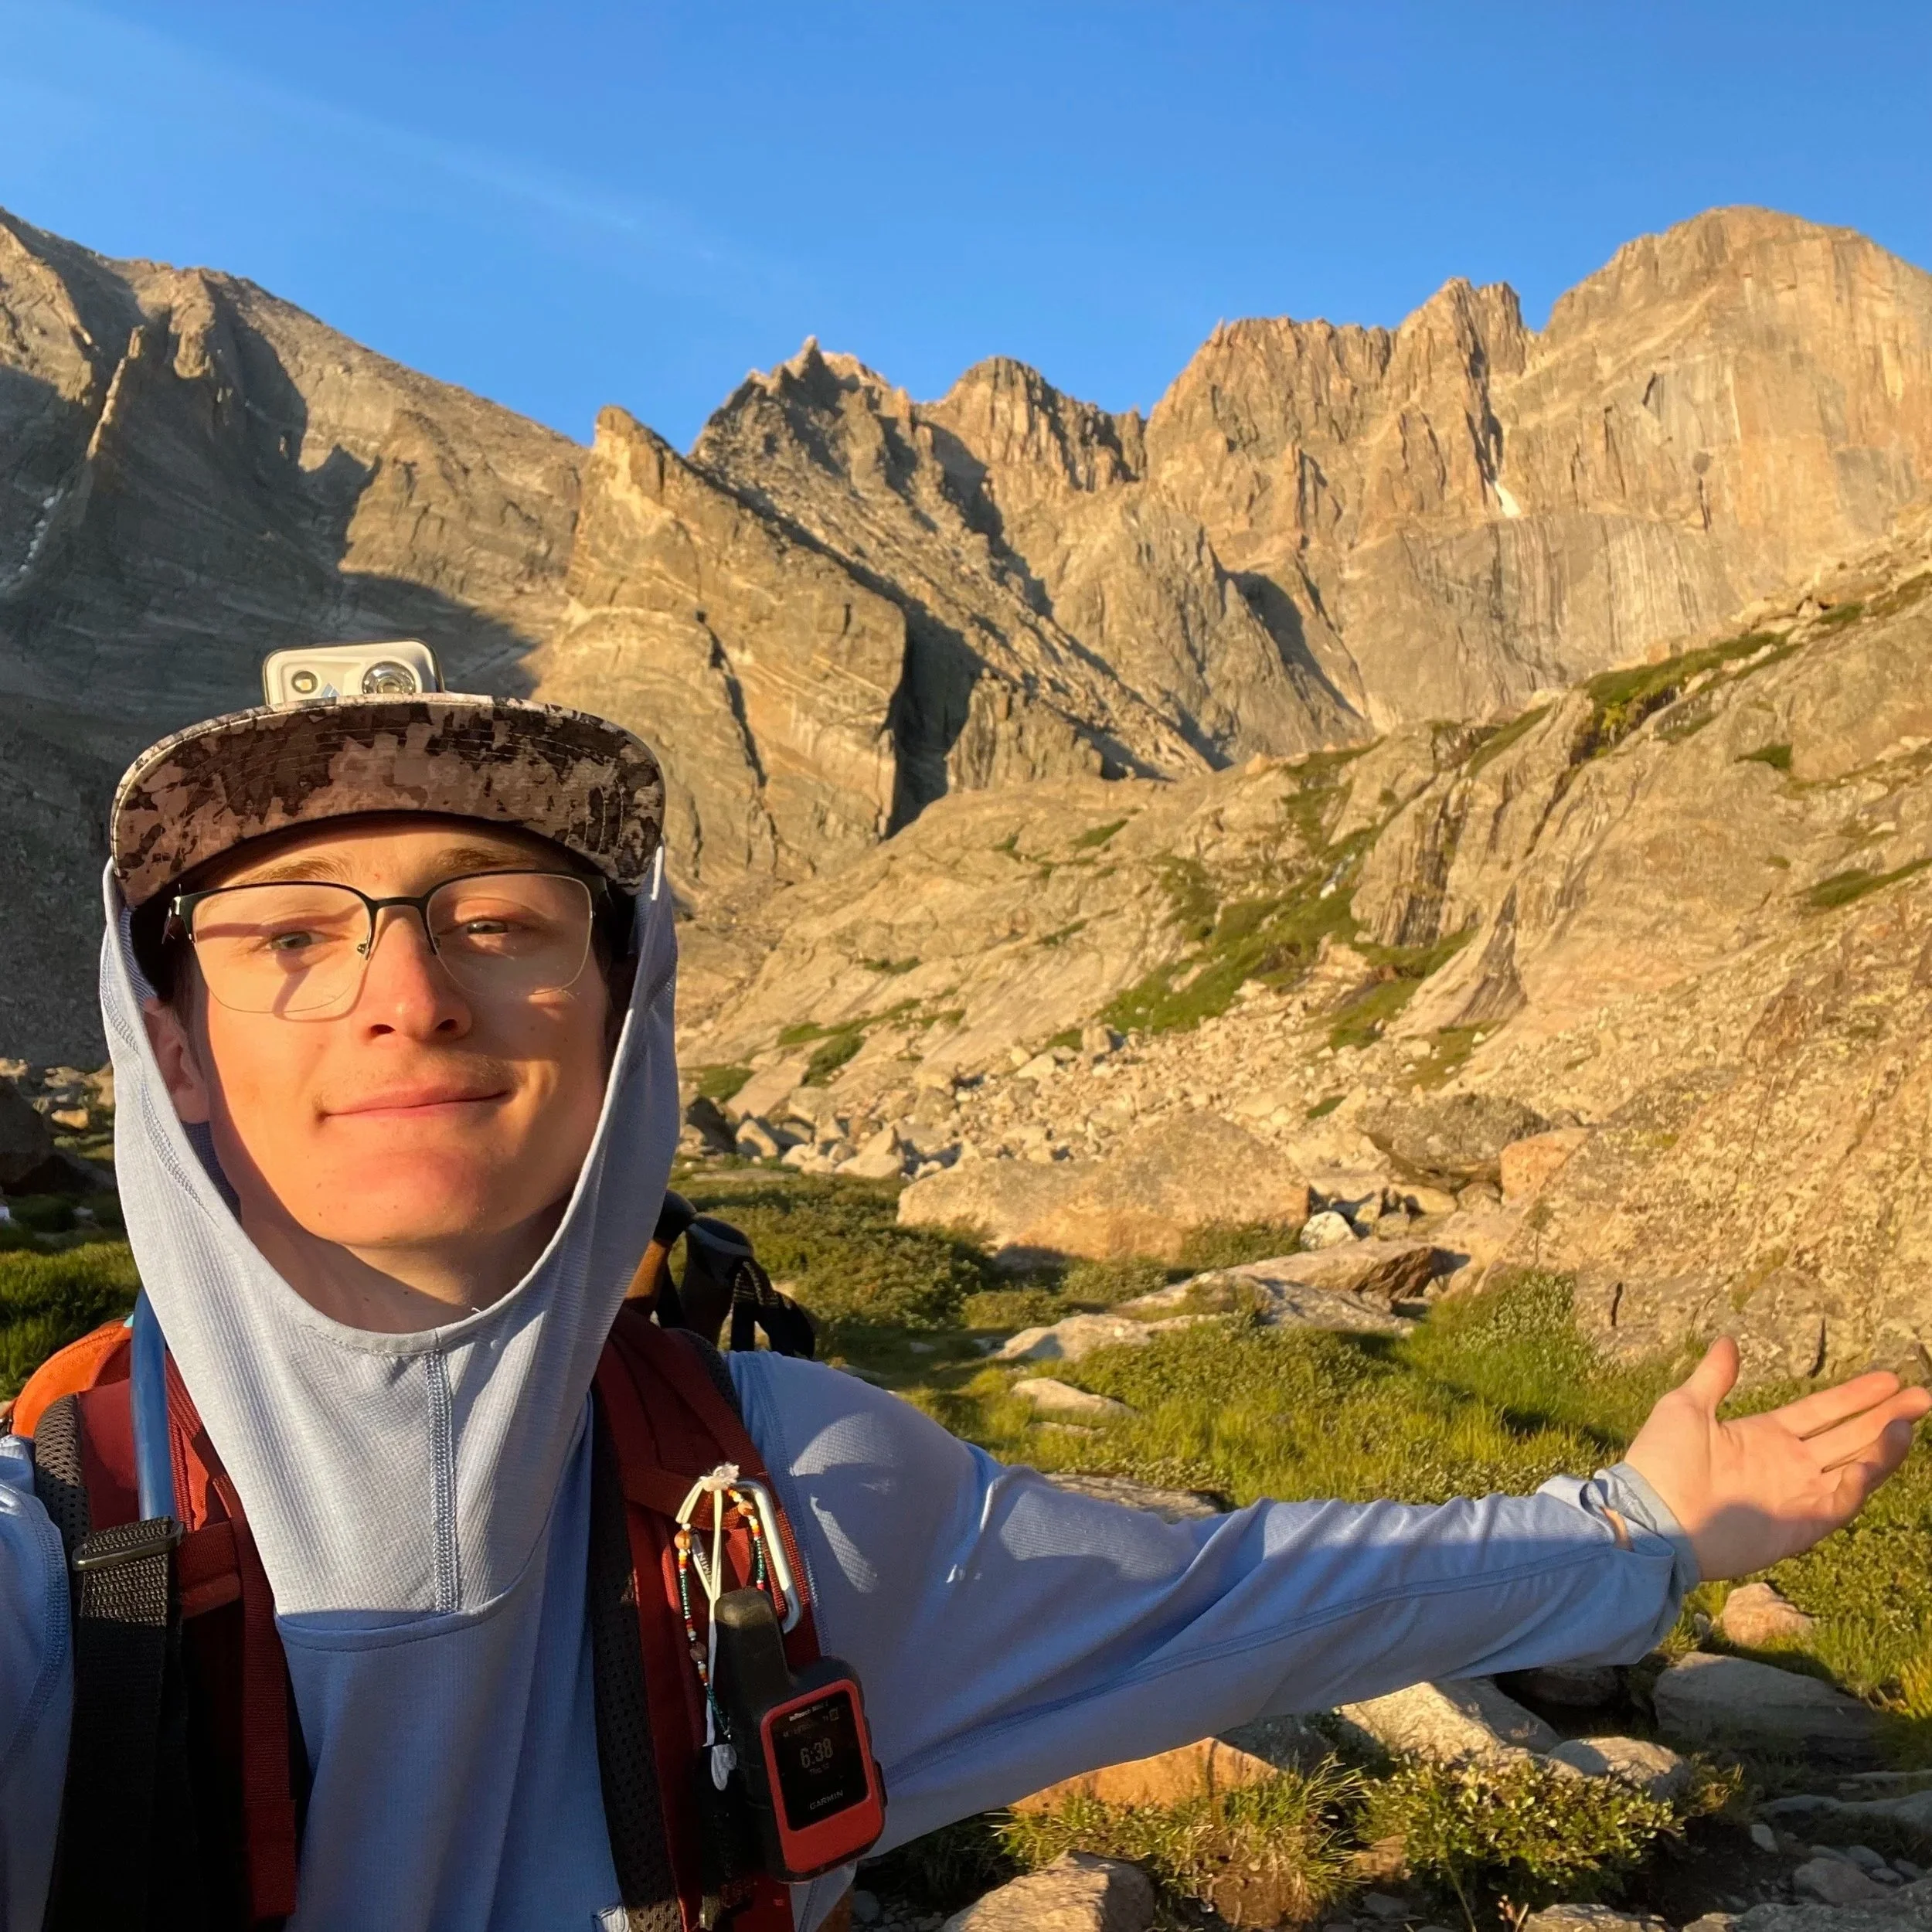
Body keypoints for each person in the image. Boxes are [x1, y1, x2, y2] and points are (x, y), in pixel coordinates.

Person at [0, 675, 1924, 1932]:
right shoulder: (43, 1563)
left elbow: (1226, 1599)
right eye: (287, 934)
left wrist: (1641, 1531)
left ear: (621, 1006)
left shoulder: (791, 1491)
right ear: (167, 1039)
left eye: (495, 919)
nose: (407, 995)